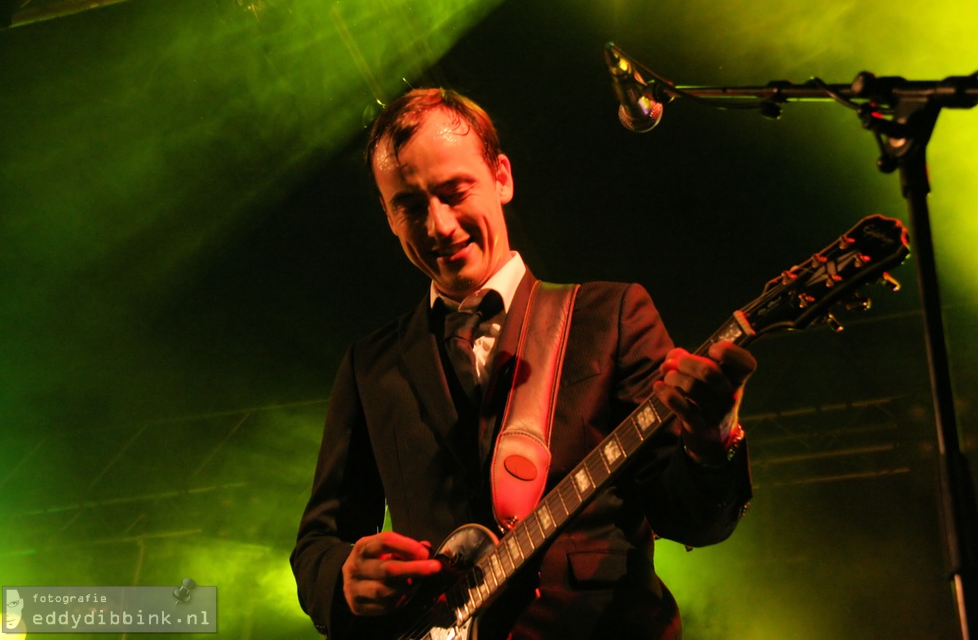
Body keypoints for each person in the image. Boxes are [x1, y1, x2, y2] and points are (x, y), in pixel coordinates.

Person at [290, 88, 756, 640]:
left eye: (454, 191)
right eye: (409, 206)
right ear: (389, 216)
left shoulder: (611, 315)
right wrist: (343, 577)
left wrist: (710, 440)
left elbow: (692, 517)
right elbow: (319, 543)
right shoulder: (371, 364)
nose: (438, 225)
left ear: (502, 178)